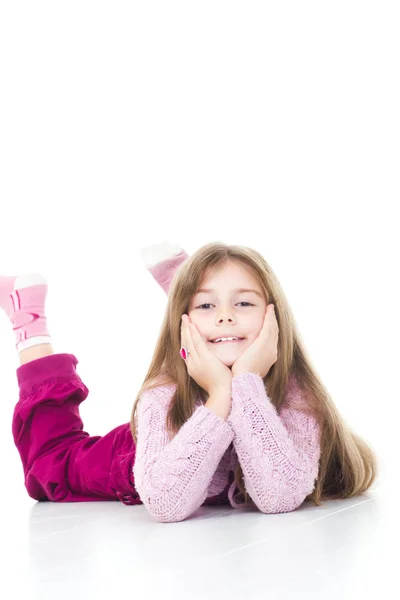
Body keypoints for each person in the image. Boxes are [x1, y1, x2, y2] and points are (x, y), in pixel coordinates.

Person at [1, 241, 378, 523]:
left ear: (274, 318)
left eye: (243, 304)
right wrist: (218, 394)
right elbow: (166, 504)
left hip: (217, 408)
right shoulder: (162, 393)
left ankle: (186, 286)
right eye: (207, 306)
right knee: (50, 466)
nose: (227, 317)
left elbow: (278, 496)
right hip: (143, 454)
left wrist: (245, 382)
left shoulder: (298, 392)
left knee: (222, 327)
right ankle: (28, 322)